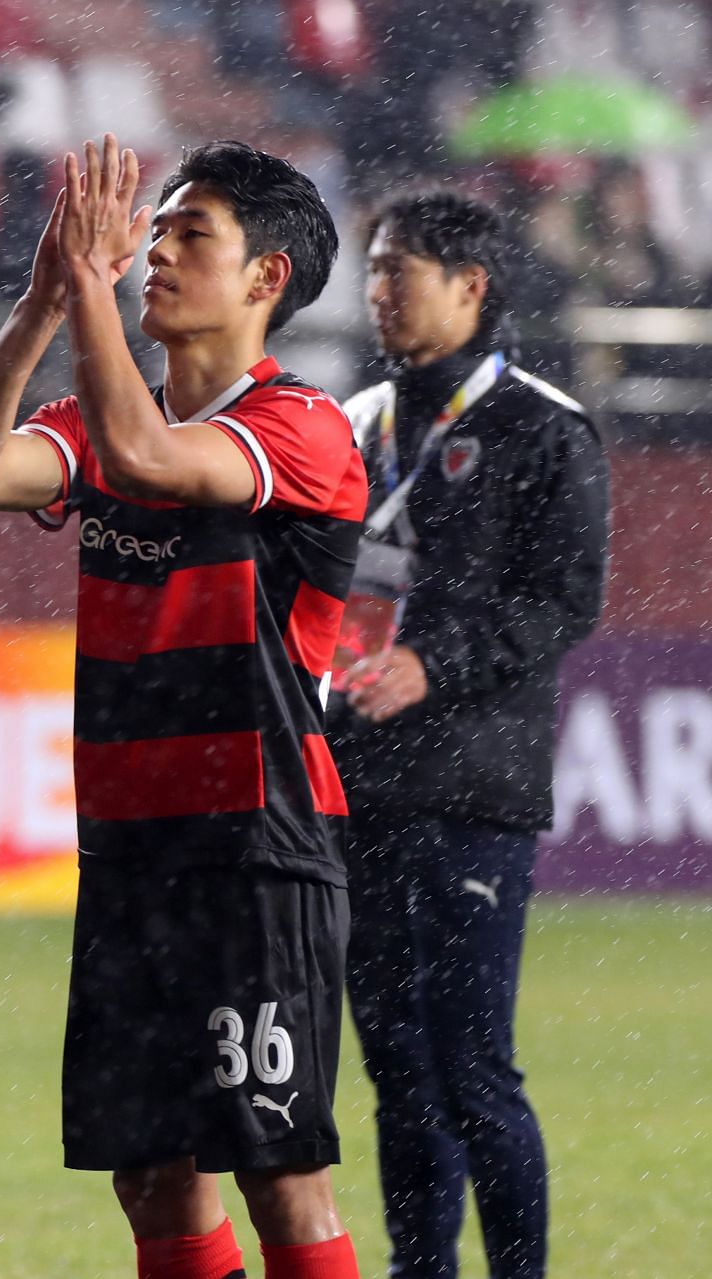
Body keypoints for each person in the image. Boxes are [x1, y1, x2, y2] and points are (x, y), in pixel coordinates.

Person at [0, 137, 365, 1279]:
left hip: (256, 847)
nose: (156, 253)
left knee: (280, 1171)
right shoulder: (91, 415)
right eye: (155, 231)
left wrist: (86, 287)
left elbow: (150, 454)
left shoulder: (303, 428)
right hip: (132, 845)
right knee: (153, 1169)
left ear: (267, 277)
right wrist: (36, 305)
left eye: (190, 236)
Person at [330, 191, 609, 1279]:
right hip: (362, 780)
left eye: (403, 268)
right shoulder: (357, 425)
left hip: (472, 789)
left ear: (472, 286)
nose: (381, 288)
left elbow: (563, 604)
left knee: (473, 1066)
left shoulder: (543, 427)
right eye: (377, 268)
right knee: (397, 1066)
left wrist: (431, 665)